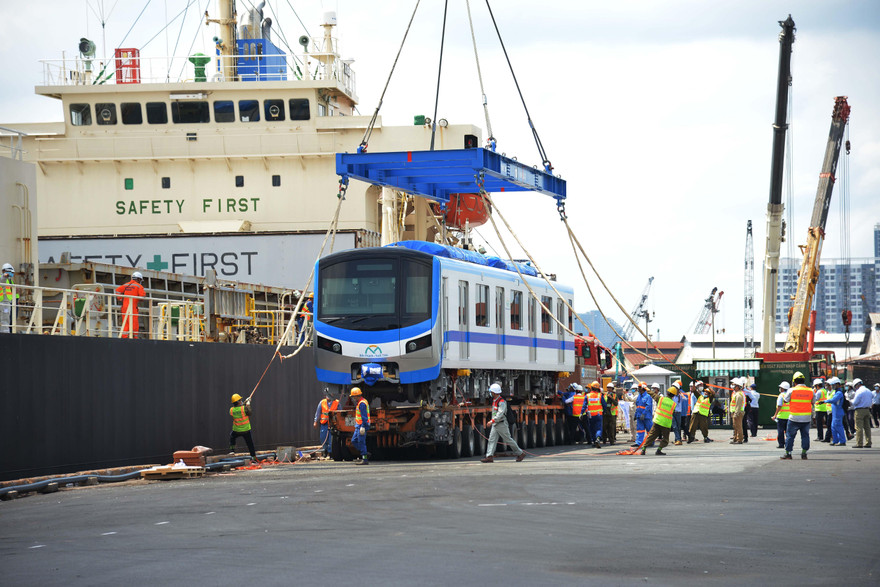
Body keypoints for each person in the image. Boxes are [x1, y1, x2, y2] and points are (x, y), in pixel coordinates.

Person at [481, 382, 525, 463]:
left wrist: (491, 421)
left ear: (494, 392)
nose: (490, 393)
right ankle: (489, 456)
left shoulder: (501, 402)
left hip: (501, 424)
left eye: (491, 392)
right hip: (496, 424)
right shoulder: (495, 400)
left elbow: (500, 414)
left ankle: (520, 453)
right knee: (492, 439)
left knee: (508, 439)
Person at [780, 372, 814, 460]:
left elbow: (786, 400)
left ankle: (788, 454)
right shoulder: (810, 390)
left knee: (790, 436)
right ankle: (804, 453)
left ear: (794, 381)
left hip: (794, 418)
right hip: (806, 418)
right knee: (805, 436)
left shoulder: (791, 390)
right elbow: (813, 402)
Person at [640, 386, 678, 455]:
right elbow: (672, 413)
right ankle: (659, 450)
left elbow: (652, 394)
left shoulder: (661, 399)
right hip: (666, 423)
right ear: (674, 396)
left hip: (657, 421)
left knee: (651, 436)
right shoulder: (674, 404)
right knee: (665, 439)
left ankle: (643, 449)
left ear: (667, 393)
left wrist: (646, 388)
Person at [116, 271, 146, 338]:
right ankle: (134, 337)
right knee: (134, 323)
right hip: (132, 307)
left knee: (125, 322)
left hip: (124, 307)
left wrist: (120, 298)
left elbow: (117, 290)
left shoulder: (126, 285)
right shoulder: (139, 286)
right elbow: (142, 296)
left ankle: (124, 336)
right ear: (138, 279)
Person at [229, 393, 258, 461]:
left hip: (237, 430)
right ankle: (253, 457)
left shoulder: (231, 410)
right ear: (238, 401)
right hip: (246, 430)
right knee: (250, 444)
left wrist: (245, 401)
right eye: (240, 400)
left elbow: (240, 408)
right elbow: (249, 412)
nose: (241, 401)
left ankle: (232, 450)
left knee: (232, 437)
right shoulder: (244, 408)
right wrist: (248, 404)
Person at [819, 377, 846, 446]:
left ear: (837, 384)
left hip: (838, 412)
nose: (833, 386)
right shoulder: (836, 392)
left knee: (838, 426)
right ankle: (835, 440)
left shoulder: (839, 393)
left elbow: (833, 400)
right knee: (833, 426)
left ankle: (842, 441)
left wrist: (824, 401)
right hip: (835, 412)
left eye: (834, 385)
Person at [314, 389, 339, 458]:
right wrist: (315, 421)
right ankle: (325, 451)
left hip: (333, 425)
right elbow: (318, 413)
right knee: (323, 438)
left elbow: (340, 414)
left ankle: (331, 453)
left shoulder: (336, 402)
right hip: (324, 424)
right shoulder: (322, 402)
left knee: (331, 439)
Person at [350, 387, 371, 465]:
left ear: (357, 396)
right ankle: (365, 453)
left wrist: (363, 426)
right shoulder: (361, 402)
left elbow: (364, 416)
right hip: (358, 425)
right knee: (354, 441)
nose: (353, 398)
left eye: (353, 396)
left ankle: (364, 459)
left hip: (362, 425)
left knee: (361, 442)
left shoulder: (362, 404)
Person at [850, 378, 873, 449]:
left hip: (859, 410)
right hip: (867, 410)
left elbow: (855, 402)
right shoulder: (869, 391)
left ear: (857, 385)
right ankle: (868, 442)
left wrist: (850, 401)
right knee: (867, 427)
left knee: (858, 427)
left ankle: (859, 443)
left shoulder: (859, 391)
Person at [771, 382, 791, 449]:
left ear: (782, 389)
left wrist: (775, 415)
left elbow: (779, 406)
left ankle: (781, 444)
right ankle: (788, 444)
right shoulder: (790, 395)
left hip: (781, 416)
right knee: (788, 432)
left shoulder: (781, 396)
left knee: (780, 431)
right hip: (789, 416)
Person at [586, 382, 605, 449]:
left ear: (591, 387)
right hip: (598, 414)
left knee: (592, 428)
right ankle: (598, 438)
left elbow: (584, 405)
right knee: (599, 428)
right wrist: (604, 412)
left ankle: (594, 441)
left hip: (590, 415)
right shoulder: (600, 395)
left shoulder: (588, 395)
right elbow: (604, 405)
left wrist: (581, 413)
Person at [1, 263, 18, 334]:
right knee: (4, 319)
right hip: (3, 302)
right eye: (11, 272)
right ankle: (5, 333)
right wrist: (4, 275)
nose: (12, 274)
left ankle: (9, 332)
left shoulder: (11, 281)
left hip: (11, 302)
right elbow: (2, 279)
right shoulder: (3, 278)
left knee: (10, 320)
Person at [729, 378, 746, 444]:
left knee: (738, 426)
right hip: (735, 412)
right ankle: (735, 438)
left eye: (734, 384)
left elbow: (738, 405)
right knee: (735, 426)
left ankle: (739, 439)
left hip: (738, 413)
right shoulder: (736, 393)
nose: (732, 385)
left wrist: (736, 413)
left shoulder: (739, 394)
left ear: (738, 386)